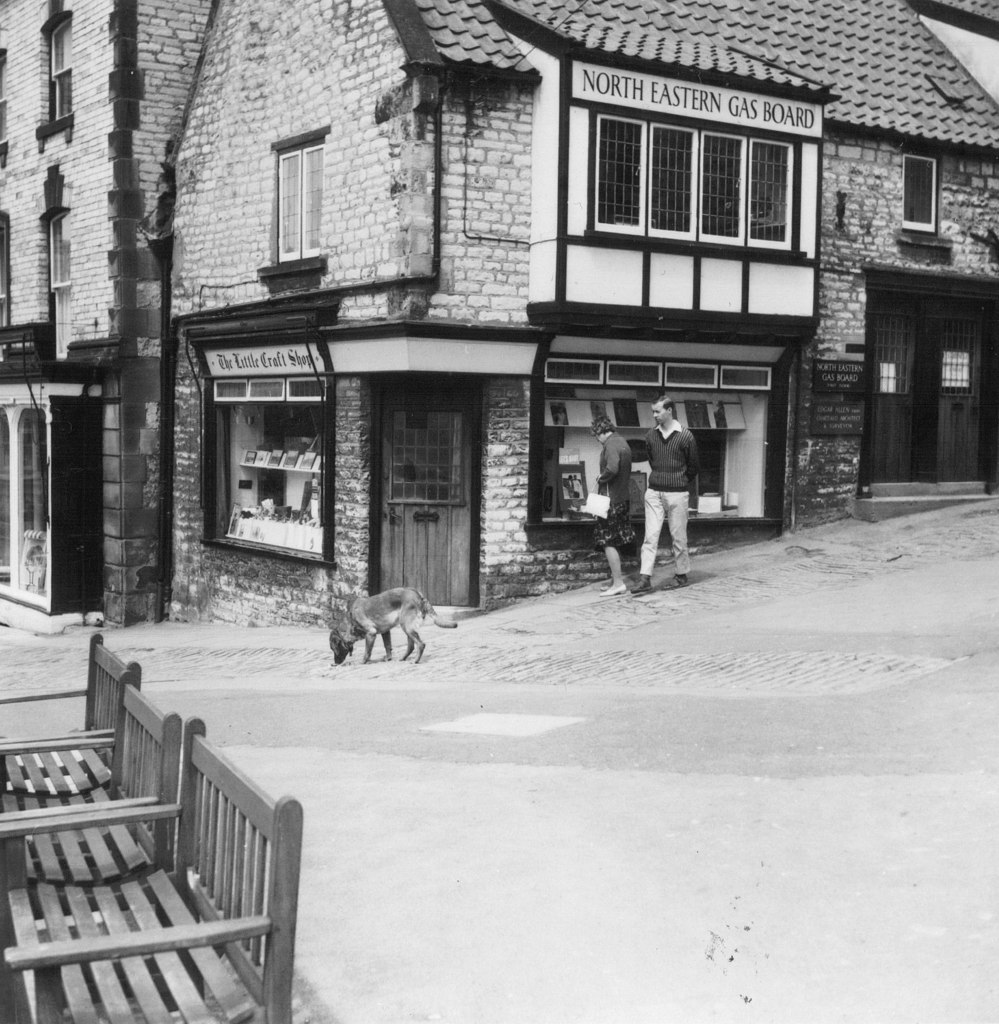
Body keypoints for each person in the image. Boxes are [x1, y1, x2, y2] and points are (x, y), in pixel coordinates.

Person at [631, 394, 699, 594]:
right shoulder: (651, 436)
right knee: (650, 536)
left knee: (678, 536)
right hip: (654, 492)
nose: (654, 415)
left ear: (669, 411)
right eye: (653, 411)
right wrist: (661, 479)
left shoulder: (686, 436)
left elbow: (693, 466)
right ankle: (645, 578)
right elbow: (653, 461)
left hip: (677, 493)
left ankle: (681, 575)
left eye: (658, 411)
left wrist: (679, 481)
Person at [590, 415, 634, 597]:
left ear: (601, 432)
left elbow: (613, 468)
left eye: (596, 436)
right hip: (622, 498)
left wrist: (602, 477)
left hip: (611, 501)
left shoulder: (610, 444)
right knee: (616, 540)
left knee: (607, 541)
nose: (598, 441)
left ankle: (617, 583)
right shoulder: (622, 441)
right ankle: (615, 579)